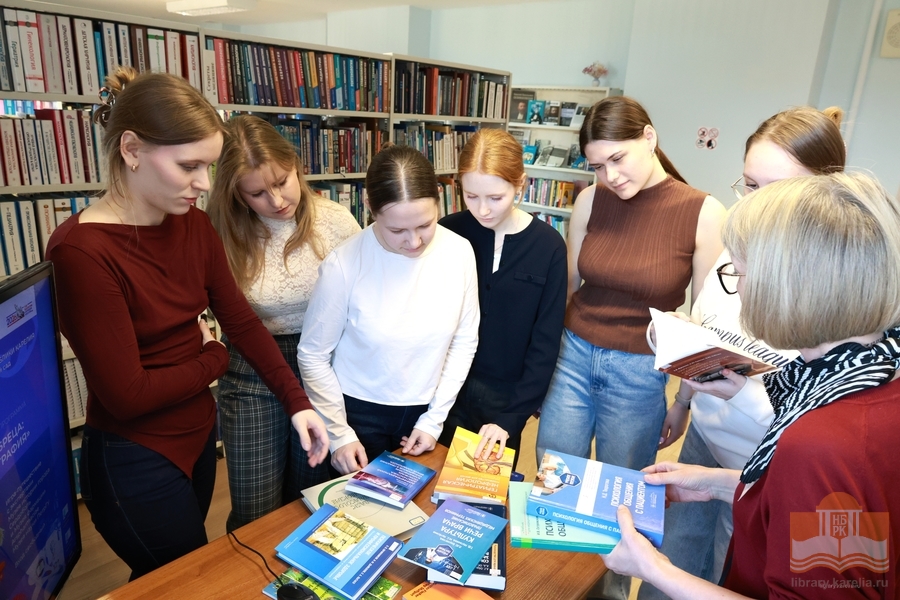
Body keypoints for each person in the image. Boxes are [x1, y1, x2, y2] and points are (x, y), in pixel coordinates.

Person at [45, 68, 328, 580]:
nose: (205, 184)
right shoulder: (81, 252)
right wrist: (214, 358)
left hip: (198, 436)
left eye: (209, 167)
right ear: (132, 150)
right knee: (184, 581)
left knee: (172, 577)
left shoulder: (192, 224)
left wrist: (297, 402)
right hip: (136, 455)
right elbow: (128, 395)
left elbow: (240, 322)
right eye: (189, 166)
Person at [602, 171, 900, 598]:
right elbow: (822, 518)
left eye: (739, 274)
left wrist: (654, 569)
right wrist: (717, 483)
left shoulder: (821, 443)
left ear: (787, 288)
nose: (737, 291)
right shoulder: (865, 375)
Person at [638, 106, 847, 598]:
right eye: (750, 186)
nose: (755, 207)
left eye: (776, 191)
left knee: (730, 568)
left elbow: (821, 426)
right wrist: (683, 391)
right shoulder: (735, 249)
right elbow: (709, 325)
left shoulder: (837, 295)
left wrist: (742, 396)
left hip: (768, 462)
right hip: (707, 440)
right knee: (671, 561)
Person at [534, 96, 726, 599]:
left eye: (617, 158)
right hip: (572, 358)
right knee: (554, 488)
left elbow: (705, 325)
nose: (610, 176)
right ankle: (549, 586)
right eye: (597, 166)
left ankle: (608, 593)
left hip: (639, 373)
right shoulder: (589, 201)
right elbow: (569, 289)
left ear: (649, 137)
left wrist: (683, 401)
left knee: (620, 506)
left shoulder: (703, 212)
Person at [207, 115, 361, 531]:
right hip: (252, 368)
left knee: (310, 499)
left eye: (282, 181)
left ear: (296, 165)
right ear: (235, 194)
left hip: (324, 364)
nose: (276, 201)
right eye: (257, 193)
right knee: (254, 511)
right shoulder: (221, 230)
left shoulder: (335, 221)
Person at [297, 145, 479, 475]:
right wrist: (339, 434)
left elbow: (464, 341)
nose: (414, 242)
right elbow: (312, 355)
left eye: (425, 224)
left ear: (439, 200)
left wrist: (434, 419)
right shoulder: (343, 264)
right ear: (370, 207)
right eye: (396, 230)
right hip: (356, 414)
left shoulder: (459, 252)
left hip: (429, 409)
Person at [438, 129, 567, 460]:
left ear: (520, 184)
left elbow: (545, 341)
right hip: (443, 388)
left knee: (485, 487)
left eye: (495, 198)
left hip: (505, 400)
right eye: (471, 196)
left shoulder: (548, 246)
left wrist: (512, 417)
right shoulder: (448, 231)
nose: (482, 210)